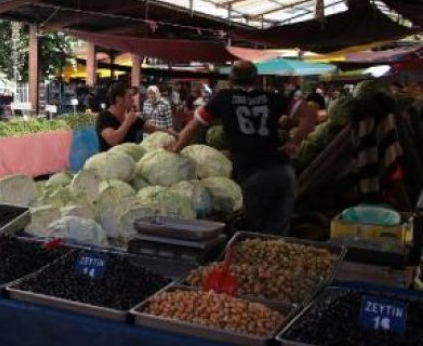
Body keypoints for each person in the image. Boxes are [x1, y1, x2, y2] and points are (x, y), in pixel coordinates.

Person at [167, 61, 316, 235]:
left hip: (254, 175)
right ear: (257, 79)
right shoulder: (271, 96)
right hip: (283, 172)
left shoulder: (223, 98)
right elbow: (311, 113)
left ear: (231, 79)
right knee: (279, 234)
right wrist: (295, 141)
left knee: (256, 235)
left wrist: (177, 147)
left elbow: (195, 125)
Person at [96, 81, 176, 152]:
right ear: (118, 99)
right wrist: (127, 122)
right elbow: (112, 139)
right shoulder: (104, 117)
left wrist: (177, 135)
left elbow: (153, 129)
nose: (133, 100)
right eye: (129, 96)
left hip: (131, 164)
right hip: (111, 165)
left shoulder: (131, 117)